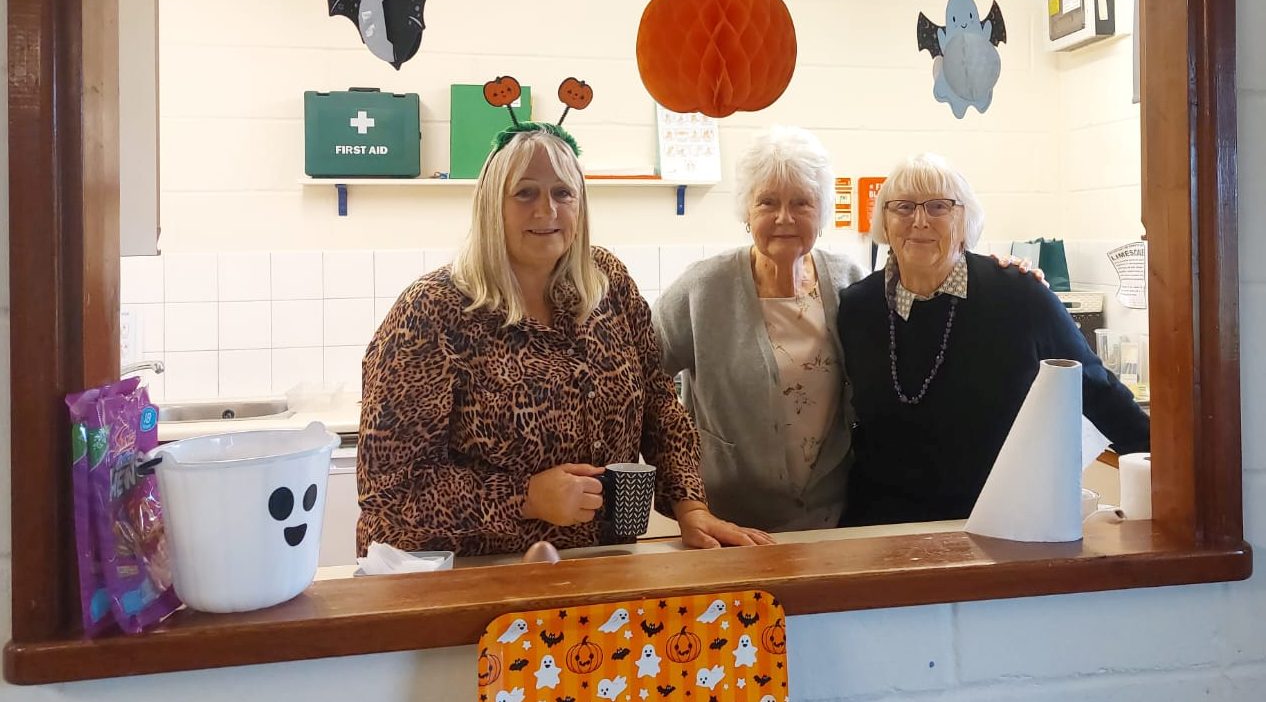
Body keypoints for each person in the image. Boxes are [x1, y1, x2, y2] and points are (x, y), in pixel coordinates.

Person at [357, 123, 773, 557]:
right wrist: (526, 497)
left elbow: (659, 404)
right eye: (525, 193)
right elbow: (388, 489)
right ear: (491, 205)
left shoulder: (607, 283)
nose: (547, 210)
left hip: (596, 564)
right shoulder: (432, 310)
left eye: (563, 193)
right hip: (466, 573)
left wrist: (691, 508)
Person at [836, 152, 1151, 527]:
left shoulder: (1020, 296)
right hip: (880, 527)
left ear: (965, 220)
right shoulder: (856, 306)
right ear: (884, 222)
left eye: (938, 206)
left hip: (1001, 523)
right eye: (903, 207)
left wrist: (1170, 469)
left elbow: (1098, 390)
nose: (919, 220)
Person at [653, 126, 866, 531]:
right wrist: (678, 468)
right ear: (747, 213)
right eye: (768, 202)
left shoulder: (847, 280)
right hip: (729, 524)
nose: (784, 217)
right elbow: (637, 375)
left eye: (801, 202)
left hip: (832, 519)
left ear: (821, 211)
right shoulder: (703, 289)